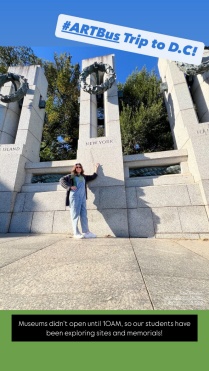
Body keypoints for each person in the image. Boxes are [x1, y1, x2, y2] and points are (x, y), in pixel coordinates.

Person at [60, 163, 99, 239]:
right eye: (77, 167)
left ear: (81, 168)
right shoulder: (71, 176)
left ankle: (86, 232)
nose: (78, 168)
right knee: (75, 215)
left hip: (83, 198)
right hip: (74, 197)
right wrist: (69, 187)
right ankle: (76, 232)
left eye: (79, 167)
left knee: (84, 215)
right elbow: (61, 180)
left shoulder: (83, 177)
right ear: (75, 168)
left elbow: (93, 176)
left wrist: (96, 168)